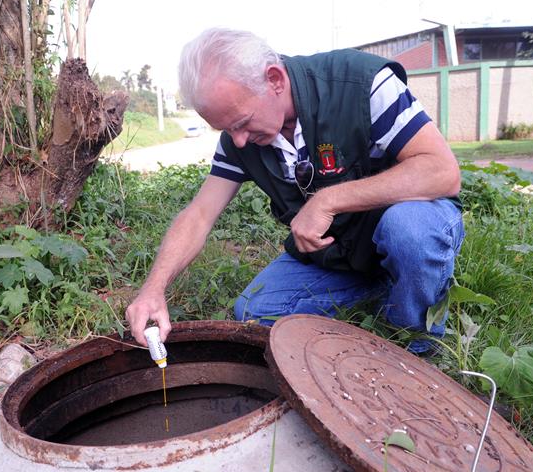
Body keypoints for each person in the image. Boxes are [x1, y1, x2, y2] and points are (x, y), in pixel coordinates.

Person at [125, 28, 464, 354]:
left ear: (274, 79)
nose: (238, 140)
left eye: (241, 123)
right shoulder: (238, 139)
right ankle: (388, 288)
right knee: (255, 313)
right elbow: (199, 215)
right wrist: (154, 289)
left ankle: (417, 343)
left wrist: (329, 199)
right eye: (227, 129)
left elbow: (441, 171)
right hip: (341, 253)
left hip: (412, 224)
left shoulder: (361, 84)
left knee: (409, 231)